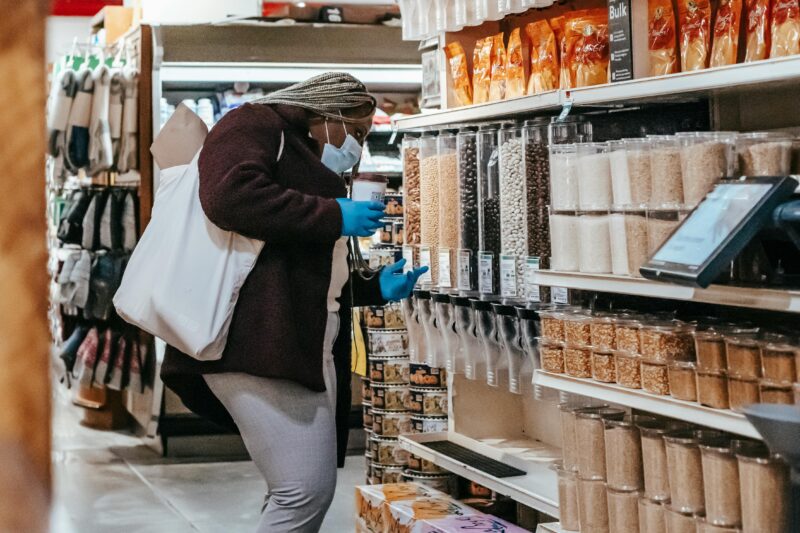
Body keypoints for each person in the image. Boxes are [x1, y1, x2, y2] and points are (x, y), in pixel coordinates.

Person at [160, 73, 427, 533]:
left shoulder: (304, 154)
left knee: (298, 487)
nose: (358, 148)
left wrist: (370, 288)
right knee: (303, 489)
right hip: (251, 341)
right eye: (357, 133)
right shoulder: (254, 123)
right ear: (327, 116)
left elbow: (296, 266)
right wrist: (333, 214)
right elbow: (228, 195)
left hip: (298, 342)